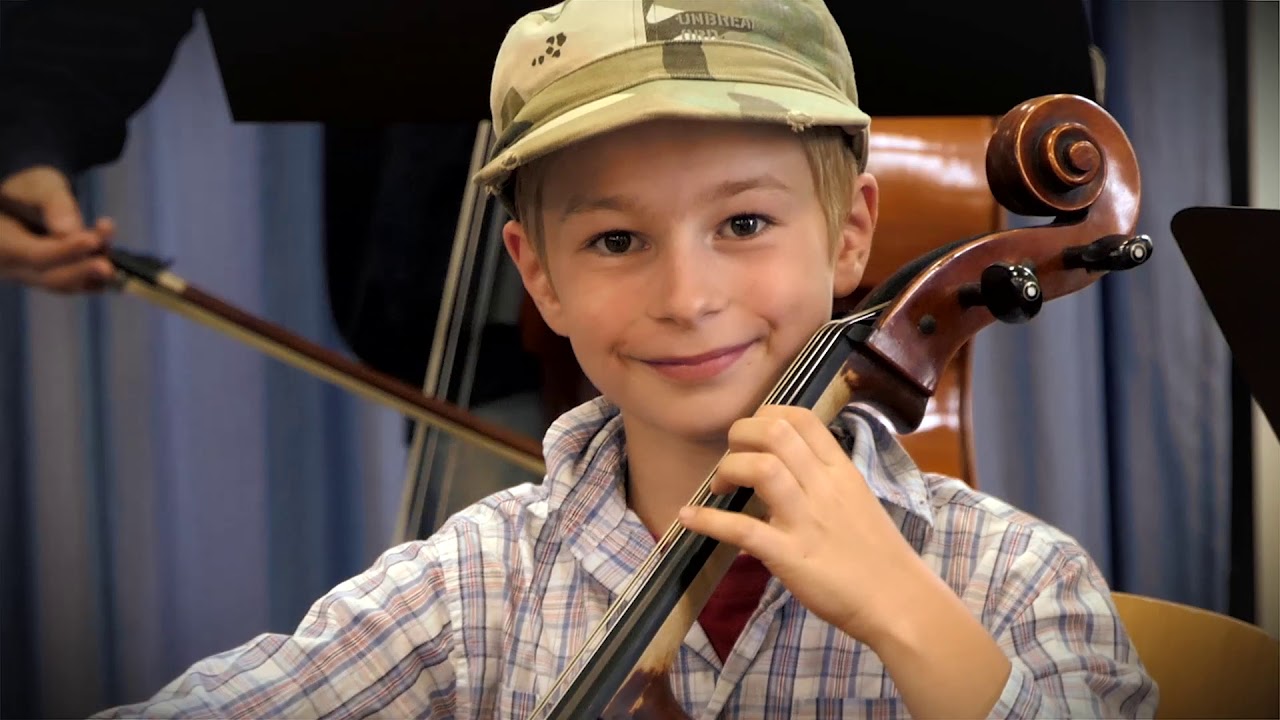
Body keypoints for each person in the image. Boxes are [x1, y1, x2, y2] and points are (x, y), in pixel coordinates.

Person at [93, 0, 1157, 717]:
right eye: (614, 240)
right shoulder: (476, 586)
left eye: (743, 224)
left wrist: (907, 613)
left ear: (848, 235)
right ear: (537, 273)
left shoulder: (1013, 580)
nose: (687, 298)